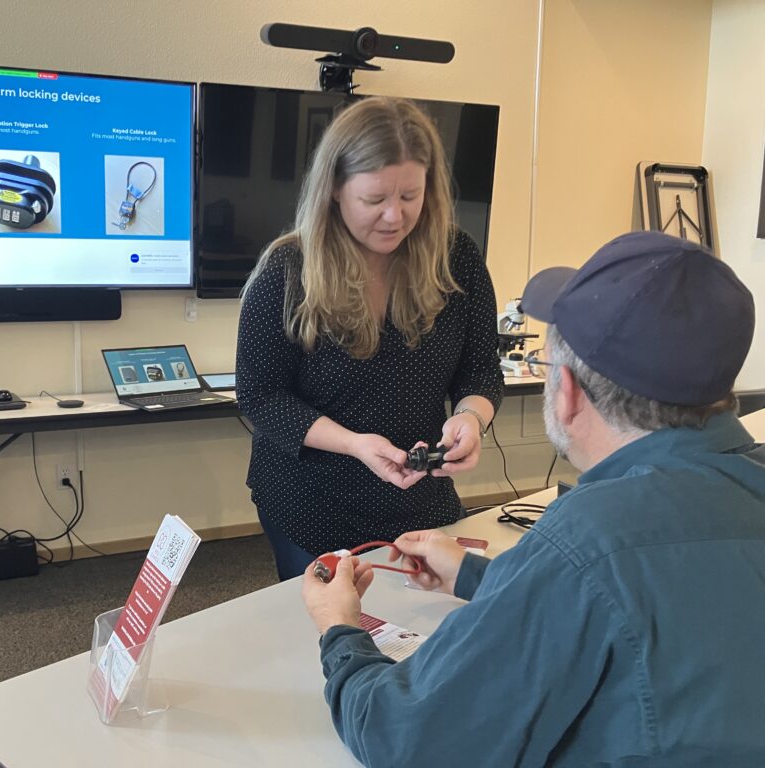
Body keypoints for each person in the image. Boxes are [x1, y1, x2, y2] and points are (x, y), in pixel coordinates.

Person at [301, 231, 765, 766]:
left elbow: (409, 740)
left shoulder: (587, 539)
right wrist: (478, 576)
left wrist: (339, 628)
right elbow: (637, 603)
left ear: (566, 392)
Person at [236, 97, 503, 580]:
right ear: (335, 190)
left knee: (429, 614)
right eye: (374, 200)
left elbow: (481, 368)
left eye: (410, 196)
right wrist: (355, 444)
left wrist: (471, 417)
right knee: (332, 616)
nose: (394, 217)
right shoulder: (288, 271)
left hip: (419, 498)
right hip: (311, 503)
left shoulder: (457, 259)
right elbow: (261, 396)